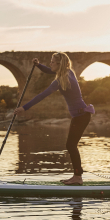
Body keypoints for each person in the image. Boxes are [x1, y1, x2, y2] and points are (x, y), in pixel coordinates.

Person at [14, 52, 95, 185]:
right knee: (71, 145)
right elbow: (49, 70)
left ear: (59, 64)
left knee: (70, 145)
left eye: (52, 62)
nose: (50, 64)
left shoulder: (59, 81)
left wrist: (24, 107)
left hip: (81, 116)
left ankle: (78, 177)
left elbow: (42, 95)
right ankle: (77, 175)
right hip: (81, 116)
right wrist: (39, 65)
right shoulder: (69, 72)